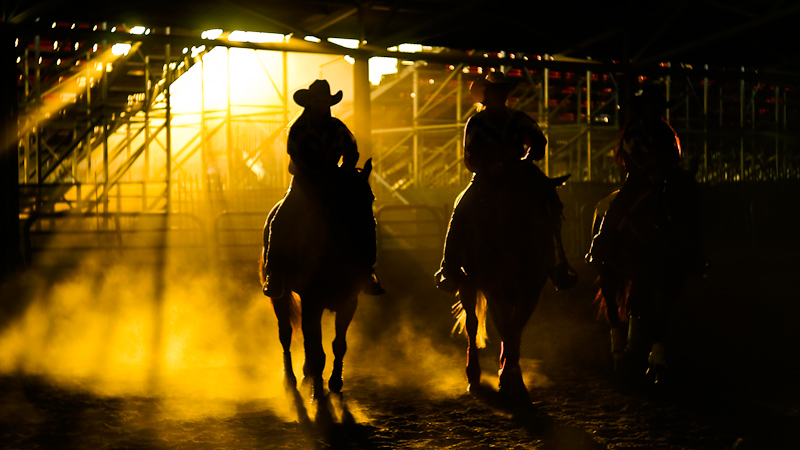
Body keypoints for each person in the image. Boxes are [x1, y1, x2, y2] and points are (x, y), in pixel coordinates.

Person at [434, 71, 577, 292]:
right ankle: (449, 267)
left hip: (518, 171)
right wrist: (488, 166)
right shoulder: (476, 123)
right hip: (487, 176)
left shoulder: (518, 119)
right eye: (496, 91)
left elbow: (538, 140)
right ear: (487, 94)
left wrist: (528, 158)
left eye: (503, 91)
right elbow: (469, 156)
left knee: (550, 201)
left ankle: (559, 261)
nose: (501, 95)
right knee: (462, 209)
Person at [263, 79, 384, 297]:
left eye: (325, 101)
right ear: (309, 102)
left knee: (364, 218)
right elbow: (298, 159)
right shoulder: (298, 130)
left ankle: (367, 270)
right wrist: (323, 175)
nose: (321, 105)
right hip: (304, 184)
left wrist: (345, 170)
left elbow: (351, 152)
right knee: (280, 220)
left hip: (334, 180)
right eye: (317, 100)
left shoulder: (338, 128)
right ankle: (274, 273)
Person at [587, 83, 706, 273]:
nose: (651, 108)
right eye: (648, 104)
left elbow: (674, 155)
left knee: (687, 210)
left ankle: (697, 256)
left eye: (654, 104)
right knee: (616, 209)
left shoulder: (666, 132)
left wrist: (667, 171)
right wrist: (651, 173)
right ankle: (601, 245)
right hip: (637, 182)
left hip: (663, 180)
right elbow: (635, 154)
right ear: (642, 106)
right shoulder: (636, 130)